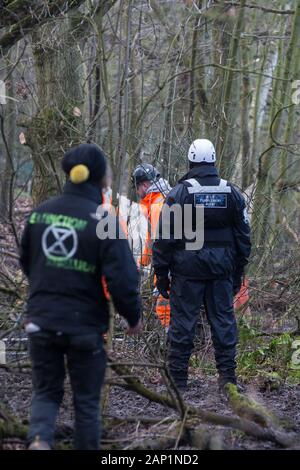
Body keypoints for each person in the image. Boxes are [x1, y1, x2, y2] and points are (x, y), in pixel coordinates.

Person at [20, 143, 142, 450]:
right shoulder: (105, 221)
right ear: (101, 179)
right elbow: (123, 279)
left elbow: (27, 262)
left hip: (42, 320)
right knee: (87, 404)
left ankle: (38, 440)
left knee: (45, 393)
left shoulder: (39, 215)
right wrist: (133, 316)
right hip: (85, 328)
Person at [153, 139, 251, 392]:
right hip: (221, 271)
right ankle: (228, 381)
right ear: (214, 161)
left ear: (191, 160)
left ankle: (178, 382)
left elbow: (164, 238)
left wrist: (161, 275)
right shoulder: (232, 193)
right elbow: (243, 237)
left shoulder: (180, 193)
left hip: (187, 272)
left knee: (183, 324)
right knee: (223, 322)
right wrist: (238, 271)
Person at [131, 163, 171, 328]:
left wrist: (164, 273)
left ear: (144, 184)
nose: (137, 192)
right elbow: (151, 241)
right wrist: (142, 263)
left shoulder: (157, 205)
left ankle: (171, 342)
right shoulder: (160, 199)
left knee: (164, 307)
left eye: (137, 187)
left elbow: (160, 242)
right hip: (173, 262)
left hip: (171, 265)